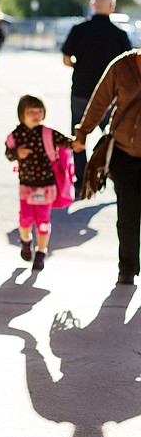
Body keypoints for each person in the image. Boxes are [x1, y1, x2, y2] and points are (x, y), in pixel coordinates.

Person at [73, 50, 141, 285]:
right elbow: (99, 101)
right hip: (123, 153)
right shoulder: (122, 66)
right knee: (128, 214)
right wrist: (83, 132)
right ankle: (127, 268)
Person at [62, 0, 131, 195]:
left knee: (79, 133)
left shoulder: (78, 30)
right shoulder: (120, 35)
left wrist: (80, 66)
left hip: (81, 91)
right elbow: (127, 67)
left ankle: (81, 179)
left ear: (93, 5)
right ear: (112, 7)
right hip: (110, 96)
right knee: (111, 136)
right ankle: (112, 174)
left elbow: (66, 59)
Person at [5, 94, 73, 271]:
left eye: (39, 111)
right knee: (25, 219)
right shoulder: (15, 136)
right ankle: (26, 241)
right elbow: (8, 153)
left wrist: (80, 139)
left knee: (43, 220)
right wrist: (17, 153)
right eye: (31, 111)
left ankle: (41, 252)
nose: (36, 114)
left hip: (47, 185)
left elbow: (68, 142)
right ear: (22, 114)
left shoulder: (48, 133)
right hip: (26, 185)